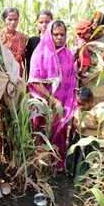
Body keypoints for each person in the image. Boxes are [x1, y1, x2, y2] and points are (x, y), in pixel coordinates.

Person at [28, 20, 78, 172]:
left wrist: (67, 102)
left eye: (62, 35)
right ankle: (39, 169)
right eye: (55, 34)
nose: (59, 38)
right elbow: (35, 81)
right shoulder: (40, 53)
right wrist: (51, 99)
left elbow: (71, 79)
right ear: (50, 34)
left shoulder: (68, 54)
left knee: (59, 135)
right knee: (40, 134)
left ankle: (56, 166)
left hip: (60, 105)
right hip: (43, 104)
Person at [0, 7, 27, 78]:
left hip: (18, 74)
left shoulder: (23, 37)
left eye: (16, 19)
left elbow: (24, 59)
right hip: (2, 73)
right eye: (10, 19)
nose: (13, 22)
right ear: (4, 20)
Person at [25, 10, 53, 79]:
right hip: (36, 80)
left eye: (47, 22)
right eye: (41, 22)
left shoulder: (57, 41)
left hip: (52, 79)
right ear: (37, 24)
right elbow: (29, 63)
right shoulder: (33, 41)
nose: (44, 25)